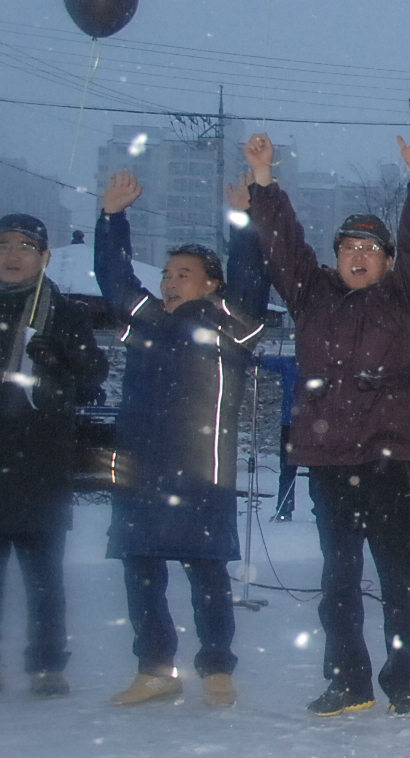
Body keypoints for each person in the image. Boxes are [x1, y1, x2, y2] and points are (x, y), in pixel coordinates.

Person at [237, 98, 410, 718]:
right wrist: (263, 181)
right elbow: (283, 247)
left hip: (387, 460)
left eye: (370, 248)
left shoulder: (406, 299)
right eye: (349, 246)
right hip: (328, 460)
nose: (357, 256)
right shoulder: (312, 296)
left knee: (398, 581)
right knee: (338, 580)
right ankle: (349, 681)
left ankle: (403, 684)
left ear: (387, 260)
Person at [95, 169, 269, 708]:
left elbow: (252, 278)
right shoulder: (144, 319)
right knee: (141, 573)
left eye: (184, 274)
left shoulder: (229, 324)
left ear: (212, 283)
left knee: (207, 574)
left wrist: (245, 219)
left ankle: (216, 668)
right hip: (139, 470)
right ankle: (155, 669)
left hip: (200, 473)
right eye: (168, 274)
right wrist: (111, 218)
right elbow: (114, 277)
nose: (170, 282)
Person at [0, 212, 108, 699]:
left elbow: (93, 377)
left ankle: (47, 664)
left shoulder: (64, 312)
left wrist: (62, 359)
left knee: (44, 576)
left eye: (25, 246)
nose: (12, 255)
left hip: (40, 462)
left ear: (44, 257)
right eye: (4, 245)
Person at [255, 352, 303, 521]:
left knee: (317, 470)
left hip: (311, 425)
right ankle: (284, 509)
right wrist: (256, 358)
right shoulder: (290, 363)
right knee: (288, 469)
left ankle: (320, 511)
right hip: (293, 424)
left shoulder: (316, 363)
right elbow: (264, 361)